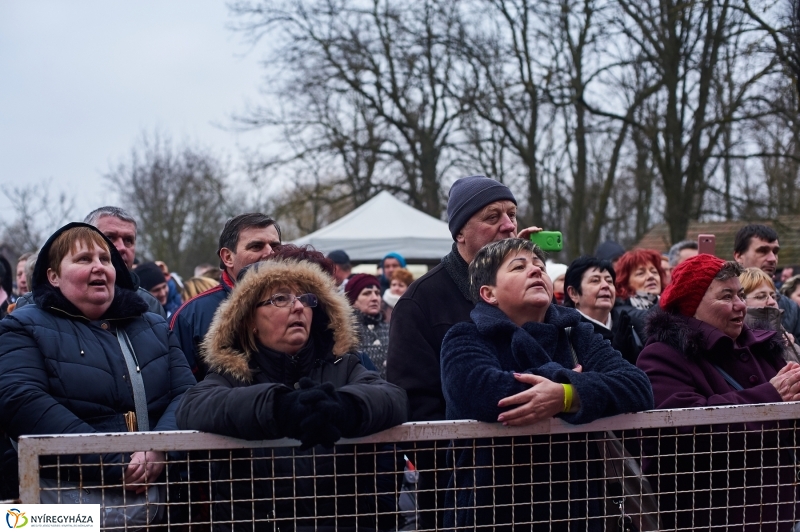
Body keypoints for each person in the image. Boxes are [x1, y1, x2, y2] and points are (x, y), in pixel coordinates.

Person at [175, 257, 407, 531]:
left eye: (305, 298)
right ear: (249, 319)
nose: (298, 306)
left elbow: (394, 398)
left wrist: (346, 407)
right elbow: (191, 407)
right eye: (280, 299)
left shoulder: (343, 365)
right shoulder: (231, 374)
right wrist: (277, 407)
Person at [440, 238, 653, 530]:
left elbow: (637, 386)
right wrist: (570, 377)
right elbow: (481, 391)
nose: (536, 271)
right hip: (490, 510)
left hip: (576, 511)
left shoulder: (578, 334)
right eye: (519, 266)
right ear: (488, 293)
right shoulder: (465, 336)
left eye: (540, 266)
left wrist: (567, 394)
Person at [386, 174, 541, 528]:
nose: (508, 226)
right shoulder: (420, 301)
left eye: (512, 214)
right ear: (459, 233)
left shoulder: (532, 292)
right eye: (492, 217)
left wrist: (525, 270)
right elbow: (414, 401)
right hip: (456, 495)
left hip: (541, 482)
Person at [0, 223, 196, 501]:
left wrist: (158, 450)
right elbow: (20, 400)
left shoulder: (154, 326)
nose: (99, 267)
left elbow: (187, 394)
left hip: (158, 502)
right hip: (62, 505)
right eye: (83, 259)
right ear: (53, 276)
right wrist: (113, 463)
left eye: (105, 259)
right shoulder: (21, 326)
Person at [637, 254, 800, 531]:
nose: (740, 305)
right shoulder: (661, 355)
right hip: (712, 517)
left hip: (781, 513)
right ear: (692, 306)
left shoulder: (763, 347)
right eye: (726, 297)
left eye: (741, 294)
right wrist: (771, 397)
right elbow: (683, 427)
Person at [170, 213, 281, 379]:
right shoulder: (190, 316)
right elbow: (180, 390)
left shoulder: (305, 303)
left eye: (275, 246)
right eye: (256, 246)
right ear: (228, 257)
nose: (270, 253)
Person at [82, 206, 166, 319]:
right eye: (110, 237)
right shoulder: (63, 303)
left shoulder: (151, 305)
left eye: (128, 240)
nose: (121, 248)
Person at [564, 255, 644, 364]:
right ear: (574, 293)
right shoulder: (564, 334)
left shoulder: (635, 326)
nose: (605, 285)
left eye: (609, 281)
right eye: (595, 281)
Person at [733, 224, 800, 342]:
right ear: (738, 256)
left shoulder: (791, 307)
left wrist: (792, 345)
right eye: (763, 251)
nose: (772, 258)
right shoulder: (721, 303)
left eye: (775, 251)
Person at [739, 267, 800, 363]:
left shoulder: (787, 339)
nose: (772, 301)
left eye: (773, 296)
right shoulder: (738, 342)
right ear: (740, 301)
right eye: (761, 296)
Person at [613, 248, 667, 340]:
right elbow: (648, 318)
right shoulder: (621, 310)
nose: (651, 276)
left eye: (654, 272)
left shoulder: (662, 301)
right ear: (625, 282)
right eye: (640, 273)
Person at [346, 273, 390, 377]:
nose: (375, 298)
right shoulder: (346, 332)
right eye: (367, 293)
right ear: (353, 301)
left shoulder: (390, 328)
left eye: (377, 293)